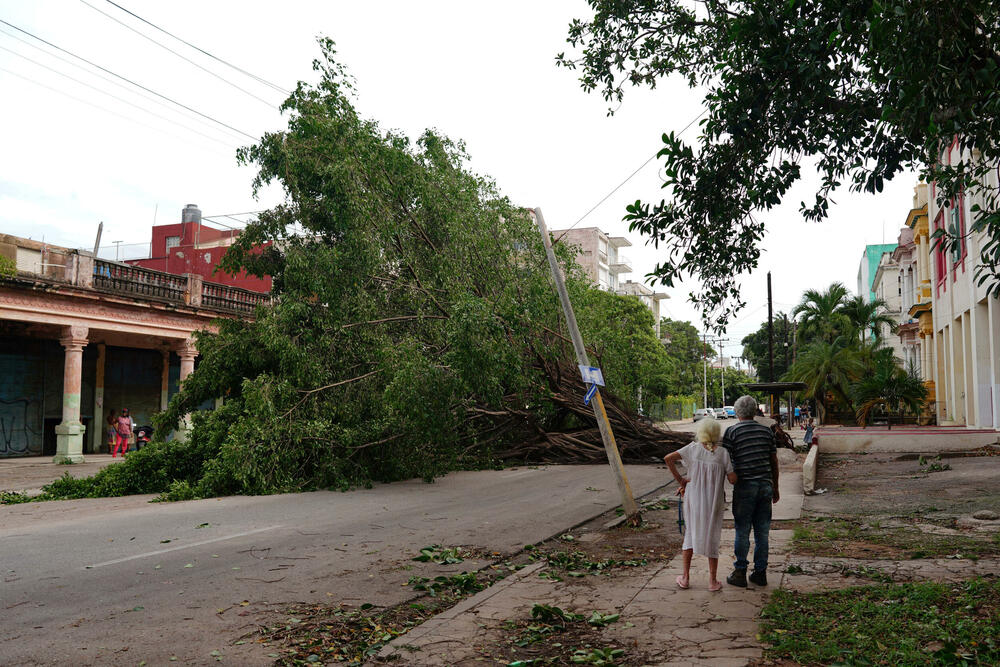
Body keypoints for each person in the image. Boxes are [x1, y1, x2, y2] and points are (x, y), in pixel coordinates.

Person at [664, 417, 738, 591]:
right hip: (713, 502)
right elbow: (733, 479)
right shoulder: (723, 453)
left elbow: (668, 458)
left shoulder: (693, 449)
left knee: (690, 534)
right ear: (716, 434)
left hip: (694, 500)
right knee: (712, 536)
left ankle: (685, 578)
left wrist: (681, 480)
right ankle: (712, 581)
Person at [722, 395, 780, 588]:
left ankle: (740, 572)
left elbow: (726, 462)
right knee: (762, 532)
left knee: (742, 530)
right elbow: (773, 461)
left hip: (745, 487)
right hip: (765, 486)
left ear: (737, 412)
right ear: (755, 411)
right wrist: (776, 487)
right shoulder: (766, 432)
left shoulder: (731, 432)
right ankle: (760, 573)